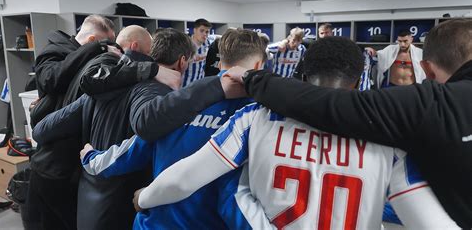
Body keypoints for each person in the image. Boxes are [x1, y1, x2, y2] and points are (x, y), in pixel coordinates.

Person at [122, 37, 457, 229]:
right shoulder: (389, 137)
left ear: (301, 73)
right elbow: (428, 222)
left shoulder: (257, 116)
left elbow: (184, 179)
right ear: (357, 80)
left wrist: (144, 197)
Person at [224, 18, 472, 228]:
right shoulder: (391, 144)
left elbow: (206, 185)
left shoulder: (254, 118)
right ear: (357, 82)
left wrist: (252, 80)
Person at [33, 28, 245, 230]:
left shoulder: (104, 86)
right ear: (182, 63)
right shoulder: (164, 100)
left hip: (87, 202)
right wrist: (215, 87)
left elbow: (42, 130)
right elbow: (149, 132)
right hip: (122, 208)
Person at [79, 29, 273, 229]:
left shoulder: (185, 99)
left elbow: (128, 153)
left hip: (154, 223)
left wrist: (91, 157)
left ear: (220, 61)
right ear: (259, 65)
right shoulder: (265, 113)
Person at [27, 14, 116, 230]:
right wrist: (96, 49)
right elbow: (50, 79)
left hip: (68, 158)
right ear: (93, 41)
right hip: (50, 159)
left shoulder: (86, 58)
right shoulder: (55, 50)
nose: (110, 48)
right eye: (107, 43)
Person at [182, 18, 217, 86]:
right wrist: (199, 57)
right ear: (195, 30)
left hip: (198, 85)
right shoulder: (185, 44)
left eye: (207, 32)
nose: (205, 34)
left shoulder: (207, 44)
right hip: (185, 85)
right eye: (201, 31)